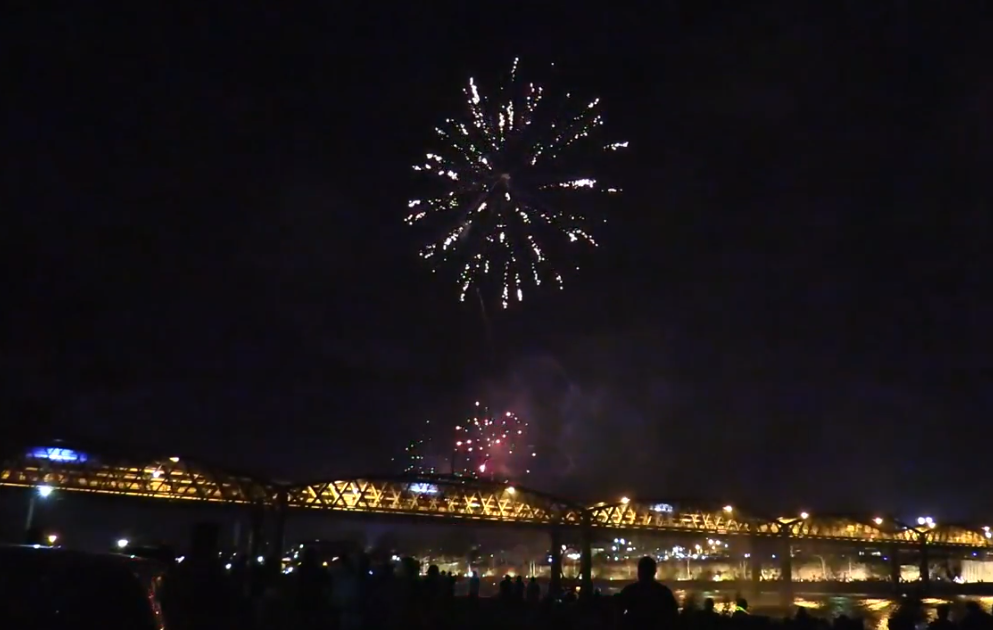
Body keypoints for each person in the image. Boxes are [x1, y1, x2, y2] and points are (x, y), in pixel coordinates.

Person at [616, 556, 678, 629]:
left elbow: (617, 612)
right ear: (654, 572)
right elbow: (673, 616)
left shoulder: (630, 591)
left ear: (639, 572)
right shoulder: (664, 592)